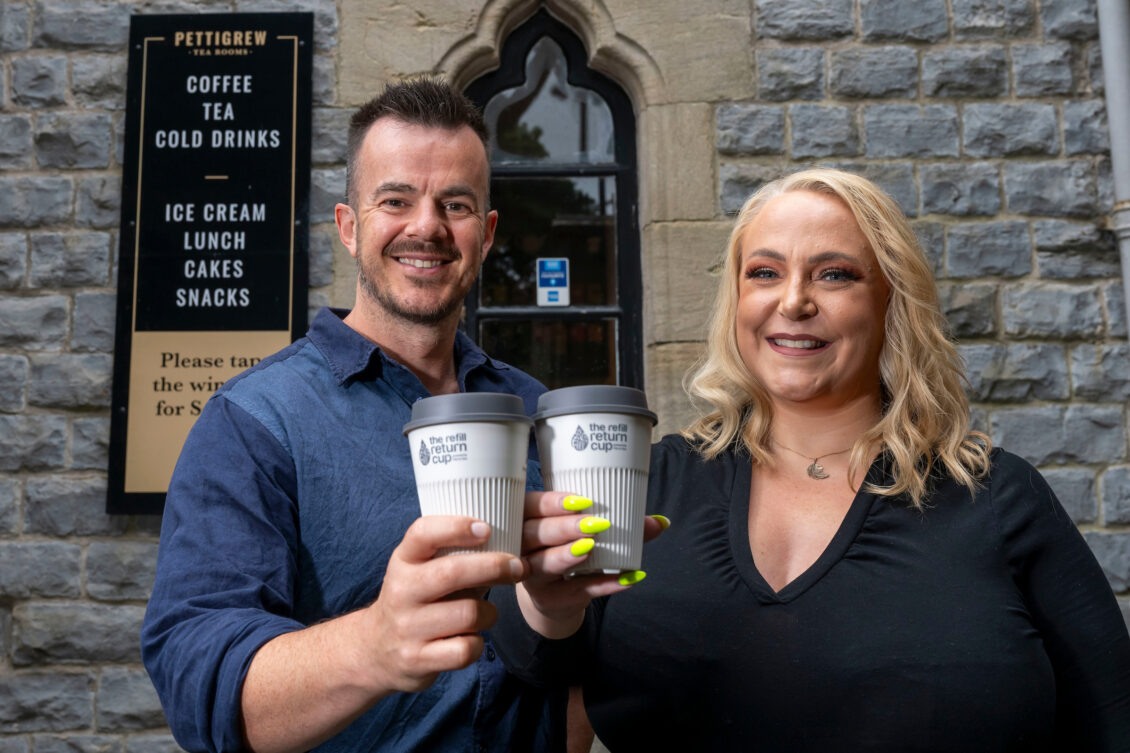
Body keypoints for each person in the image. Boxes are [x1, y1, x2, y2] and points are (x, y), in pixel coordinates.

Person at [492, 168, 1130, 751]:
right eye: (764, 273)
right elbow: (537, 670)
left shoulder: (998, 499)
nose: (793, 301)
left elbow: (1112, 718)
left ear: (891, 300)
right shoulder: (647, 485)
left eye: (835, 274)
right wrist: (548, 603)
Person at [142, 77, 586, 753]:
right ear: (350, 228)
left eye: (455, 204)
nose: (427, 226)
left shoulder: (535, 410)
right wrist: (373, 646)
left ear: (487, 233)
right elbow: (199, 683)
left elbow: (572, 659)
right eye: (396, 200)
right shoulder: (253, 421)